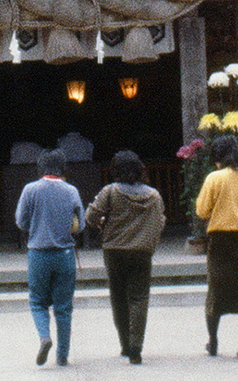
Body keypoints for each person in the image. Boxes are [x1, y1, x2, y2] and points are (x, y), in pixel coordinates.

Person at [86, 150, 165, 363]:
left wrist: (103, 225)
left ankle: (125, 345)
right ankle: (136, 346)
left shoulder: (110, 191)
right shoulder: (154, 196)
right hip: (142, 252)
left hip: (114, 251)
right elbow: (160, 222)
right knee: (139, 298)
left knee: (119, 298)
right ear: (140, 170)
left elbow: (90, 216)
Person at [194, 133, 238, 358]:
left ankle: (213, 341)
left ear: (219, 157)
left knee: (216, 292)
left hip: (219, 242)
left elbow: (201, 210)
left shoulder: (214, 178)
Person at [15, 149, 82, 366]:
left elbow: (20, 221)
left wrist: (34, 229)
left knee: (37, 302)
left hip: (38, 254)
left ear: (41, 167)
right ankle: (62, 355)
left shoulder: (30, 190)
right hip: (65, 255)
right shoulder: (71, 191)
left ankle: (44, 337)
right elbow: (80, 225)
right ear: (63, 168)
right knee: (63, 307)